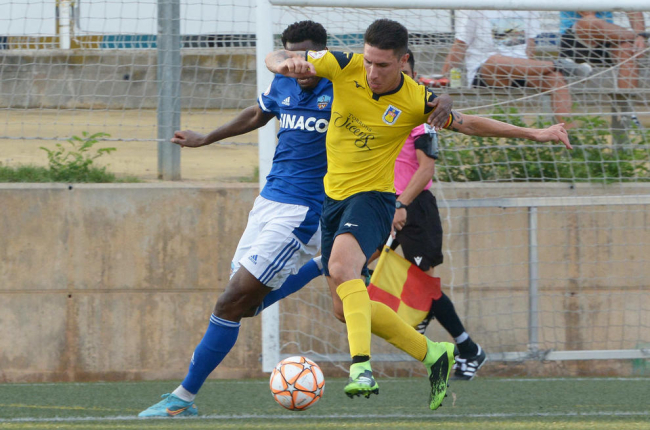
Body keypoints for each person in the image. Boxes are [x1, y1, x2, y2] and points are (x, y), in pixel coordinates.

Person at [266, 19, 572, 409]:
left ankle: (361, 367)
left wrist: (536, 133)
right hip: (333, 200)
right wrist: (283, 65)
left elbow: (472, 124)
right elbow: (276, 55)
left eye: (382, 65)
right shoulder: (343, 64)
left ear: (403, 60)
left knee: (343, 269)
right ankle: (434, 354)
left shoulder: (416, 100)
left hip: (375, 199)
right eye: (369, 62)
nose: (372, 72)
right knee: (344, 308)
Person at [138, 20, 331, 418]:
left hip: (302, 213)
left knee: (229, 303)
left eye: (307, 55)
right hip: (267, 203)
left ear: (324, 53)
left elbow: (400, 90)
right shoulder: (284, 82)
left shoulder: (346, 86)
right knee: (243, 304)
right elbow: (257, 114)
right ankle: (321, 265)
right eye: (292, 55)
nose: (299, 64)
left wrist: (441, 100)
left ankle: (182, 399)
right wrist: (206, 138)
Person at [371, 49, 486, 381]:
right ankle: (420, 327)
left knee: (425, 286)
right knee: (352, 267)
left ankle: (467, 348)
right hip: (383, 205)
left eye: (392, 67)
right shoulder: (382, 109)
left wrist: (402, 204)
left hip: (414, 207)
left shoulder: (420, 115)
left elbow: (425, 170)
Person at [442, 10, 592, 129]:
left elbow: (530, 45)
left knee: (556, 77)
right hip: (487, 71)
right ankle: (560, 64)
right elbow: (460, 44)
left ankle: (569, 135)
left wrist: (531, 68)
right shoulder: (473, 6)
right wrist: (443, 76)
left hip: (521, 69)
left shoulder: (527, 5)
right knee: (496, 60)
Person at [559, 11, 647, 127]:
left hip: (608, 37)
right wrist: (638, 36)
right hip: (576, 39)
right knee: (590, 21)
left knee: (627, 48)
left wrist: (640, 35)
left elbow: (634, 9)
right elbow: (586, 11)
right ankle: (637, 37)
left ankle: (627, 115)